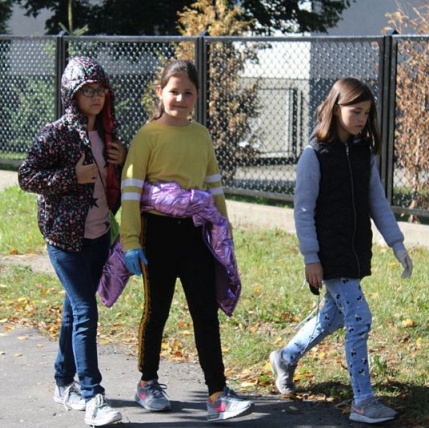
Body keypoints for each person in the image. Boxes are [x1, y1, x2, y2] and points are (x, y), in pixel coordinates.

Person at [269, 77, 413, 424]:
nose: (362, 118)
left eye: (366, 112)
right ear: (336, 109)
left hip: (355, 250)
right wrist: (311, 257)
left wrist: (396, 243)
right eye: (355, 111)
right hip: (329, 253)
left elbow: (377, 201)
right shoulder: (314, 155)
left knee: (333, 317)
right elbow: (303, 210)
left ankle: (285, 357)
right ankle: (363, 400)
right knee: (359, 318)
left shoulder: (364, 152)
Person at [119, 59, 254, 423]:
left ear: (197, 96)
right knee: (157, 311)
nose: (180, 99)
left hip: (195, 233)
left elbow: (213, 186)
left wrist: (223, 229)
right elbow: (131, 191)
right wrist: (131, 241)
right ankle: (147, 382)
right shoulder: (147, 136)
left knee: (205, 313)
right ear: (160, 92)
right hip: (156, 234)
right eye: (173, 91)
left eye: (188, 92)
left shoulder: (201, 136)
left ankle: (217, 394)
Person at [18, 56, 126, 426]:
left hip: (99, 235)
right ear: (71, 95)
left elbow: (116, 182)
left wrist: (123, 160)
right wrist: (70, 176)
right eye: (87, 91)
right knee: (85, 311)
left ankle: (63, 382)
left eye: (100, 90)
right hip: (64, 239)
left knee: (73, 310)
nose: (96, 97)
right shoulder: (56, 134)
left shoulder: (109, 133)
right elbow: (26, 176)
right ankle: (94, 397)